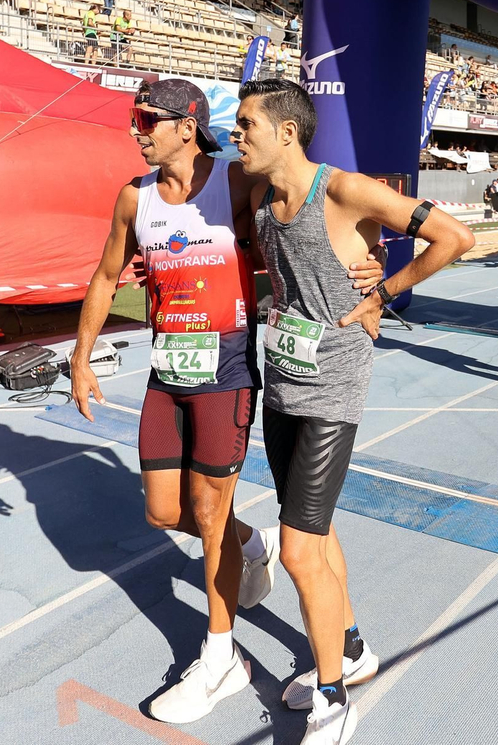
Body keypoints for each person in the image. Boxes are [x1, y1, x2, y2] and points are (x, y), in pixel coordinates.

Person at [68, 79, 386, 730]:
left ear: (187, 126)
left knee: (211, 513)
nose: (136, 128)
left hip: (229, 371)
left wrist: (372, 262)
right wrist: (79, 358)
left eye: (146, 118)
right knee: (164, 511)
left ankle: (221, 658)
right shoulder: (135, 198)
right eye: (134, 118)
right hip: (168, 372)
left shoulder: (237, 182)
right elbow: (105, 277)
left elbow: (329, 204)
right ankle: (250, 548)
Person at [235, 78, 474, 744]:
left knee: (298, 547)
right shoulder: (258, 196)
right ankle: (355, 648)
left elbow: (456, 236)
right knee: (315, 528)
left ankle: (334, 700)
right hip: (283, 382)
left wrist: (385, 293)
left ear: (286, 131)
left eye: (247, 123)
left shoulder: (344, 191)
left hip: (333, 389)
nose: (238, 134)